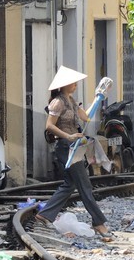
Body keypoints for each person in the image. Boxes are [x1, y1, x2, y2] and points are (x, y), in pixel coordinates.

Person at [25, 68, 113, 242]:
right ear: (64, 85)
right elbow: (49, 125)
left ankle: (45, 214)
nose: (75, 85)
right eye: (73, 82)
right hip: (66, 147)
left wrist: (99, 97)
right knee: (84, 185)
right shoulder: (58, 102)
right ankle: (99, 222)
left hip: (74, 146)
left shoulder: (71, 101)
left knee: (70, 184)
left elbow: (86, 117)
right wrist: (68, 136)